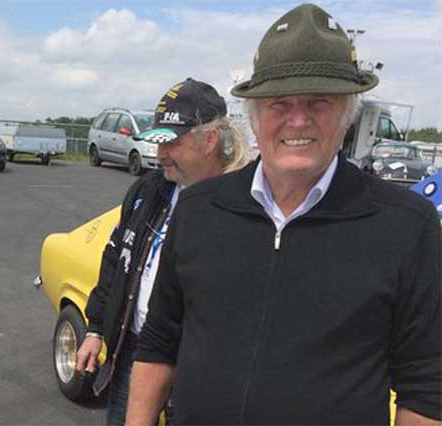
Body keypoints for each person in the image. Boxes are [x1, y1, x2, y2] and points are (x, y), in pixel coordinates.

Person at [126, 4, 441, 425]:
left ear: (346, 115)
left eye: (319, 102)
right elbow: (160, 342)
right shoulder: (200, 209)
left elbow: (425, 385)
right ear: (255, 117)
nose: (298, 120)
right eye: (279, 104)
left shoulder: (406, 224)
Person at [74, 78, 249, 425]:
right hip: (134, 354)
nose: (160, 153)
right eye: (158, 142)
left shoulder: (243, 207)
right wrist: (95, 329)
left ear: (210, 140)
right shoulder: (148, 191)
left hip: (198, 370)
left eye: (171, 142)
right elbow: (116, 259)